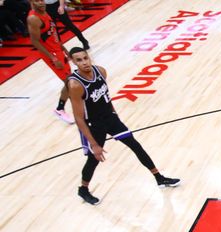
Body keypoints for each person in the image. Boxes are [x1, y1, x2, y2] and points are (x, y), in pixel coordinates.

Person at [66, 47, 179, 205]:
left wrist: (115, 115)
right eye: (79, 60)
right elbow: (78, 117)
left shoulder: (101, 71)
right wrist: (93, 144)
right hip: (93, 124)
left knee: (135, 145)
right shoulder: (75, 85)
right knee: (93, 160)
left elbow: (106, 97)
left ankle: (159, 178)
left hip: (110, 118)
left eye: (85, 58)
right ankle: (83, 189)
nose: (84, 62)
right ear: (73, 62)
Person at [27, 0, 74, 123]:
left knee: (70, 81)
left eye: (42, 0)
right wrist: (53, 58)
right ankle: (60, 109)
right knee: (70, 82)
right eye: (37, 1)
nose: (41, 3)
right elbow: (34, 41)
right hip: (51, 54)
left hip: (57, 49)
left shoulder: (44, 11)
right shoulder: (33, 19)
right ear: (31, 2)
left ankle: (65, 107)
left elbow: (53, 34)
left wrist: (64, 49)